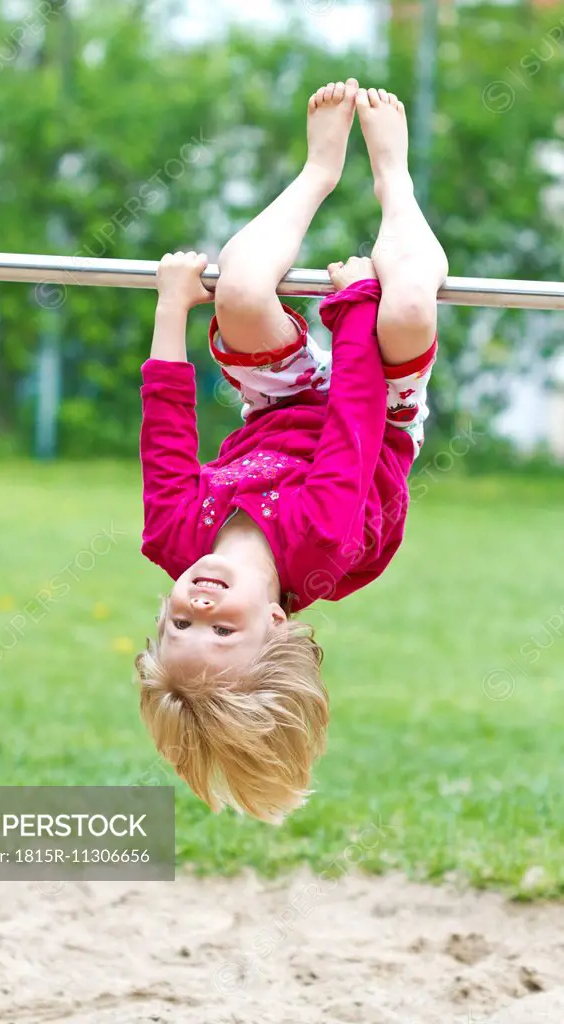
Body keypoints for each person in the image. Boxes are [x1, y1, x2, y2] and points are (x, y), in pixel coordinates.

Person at [135, 79, 449, 824]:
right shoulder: (321, 543)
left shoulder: (172, 536)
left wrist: (172, 305)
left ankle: (319, 171)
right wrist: (354, 310)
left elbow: (168, 424)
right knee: (405, 308)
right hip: (380, 429)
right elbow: (357, 426)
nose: (198, 607)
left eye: (179, 625)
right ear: (275, 624)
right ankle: (394, 180)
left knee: (241, 291)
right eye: (221, 629)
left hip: (278, 408)